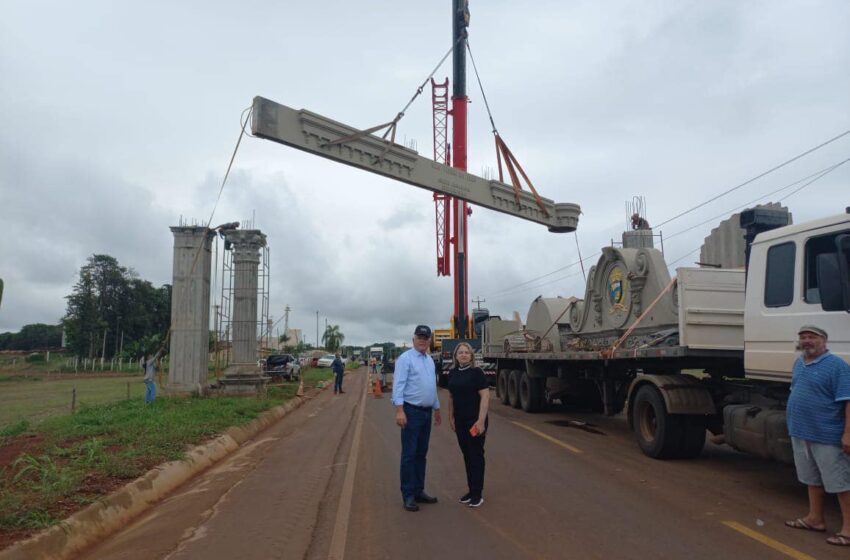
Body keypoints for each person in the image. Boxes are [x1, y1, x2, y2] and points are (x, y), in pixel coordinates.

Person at [784, 325, 850, 546]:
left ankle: (848, 530)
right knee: (811, 479)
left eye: (812, 337)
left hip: (827, 434)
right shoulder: (799, 363)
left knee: (840, 483)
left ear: (824, 340)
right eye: (803, 337)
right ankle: (815, 519)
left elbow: (847, 401)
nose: (807, 341)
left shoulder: (837, 366)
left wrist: (848, 434)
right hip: (801, 432)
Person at [392, 324, 441, 512]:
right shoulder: (405, 359)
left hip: (427, 413)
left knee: (421, 454)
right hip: (411, 412)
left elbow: (431, 387)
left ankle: (419, 490)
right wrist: (399, 411)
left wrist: (436, 409)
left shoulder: (429, 360)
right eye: (419, 337)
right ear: (413, 339)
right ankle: (408, 494)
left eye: (425, 337)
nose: (422, 340)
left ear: (429, 341)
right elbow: (398, 386)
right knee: (409, 455)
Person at [447, 342, 490, 508]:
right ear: (456, 356)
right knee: (466, 455)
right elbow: (451, 397)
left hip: (475, 421)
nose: (464, 355)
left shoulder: (477, 373)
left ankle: (477, 494)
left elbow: (485, 397)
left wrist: (480, 421)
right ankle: (471, 490)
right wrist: (450, 417)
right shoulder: (452, 373)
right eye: (460, 352)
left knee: (476, 455)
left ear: (471, 356)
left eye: (467, 352)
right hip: (460, 421)